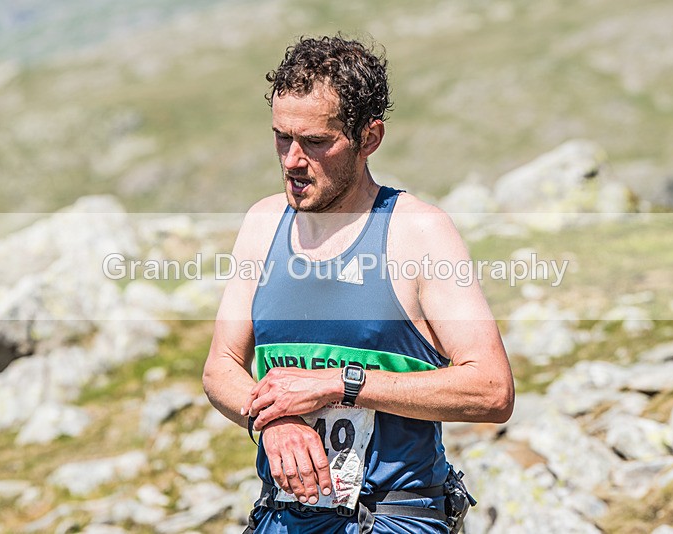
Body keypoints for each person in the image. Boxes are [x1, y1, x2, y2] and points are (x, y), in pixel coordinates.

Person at [203, 35, 514, 534]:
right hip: (282, 516)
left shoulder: (418, 232)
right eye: (282, 137)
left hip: (393, 517)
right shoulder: (263, 223)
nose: (292, 160)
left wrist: (342, 385)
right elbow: (220, 368)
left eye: (317, 143)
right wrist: (273, 420)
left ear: (370, 138)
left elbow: (492, 389)